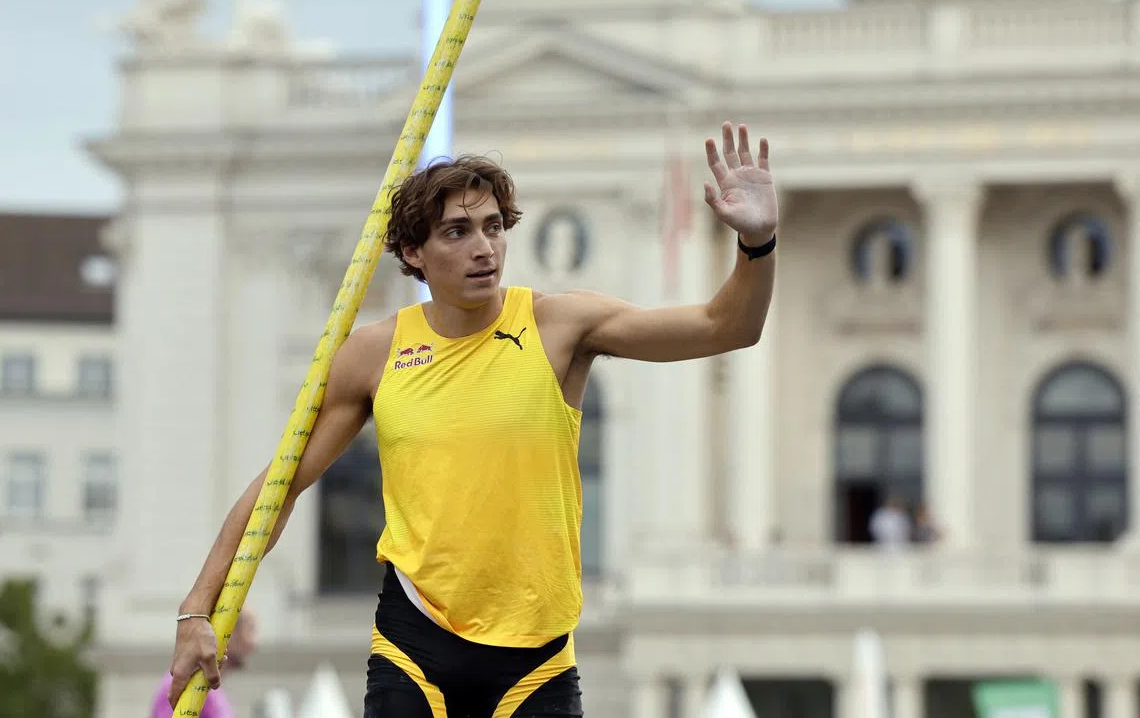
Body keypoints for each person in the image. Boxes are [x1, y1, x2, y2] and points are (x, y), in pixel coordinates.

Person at [167, 121, 778, 717]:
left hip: (536, 654)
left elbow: (728, 327)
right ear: (413, 252)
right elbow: (280, 487)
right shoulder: (374, 354)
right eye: (457, 232)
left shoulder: (559, 326)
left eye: (492, 227)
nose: (483, 247)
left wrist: (757, 245)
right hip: (415, 643)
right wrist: (198, 611)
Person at [157, 610, 257, 717]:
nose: (254, 644)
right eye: (250, 630)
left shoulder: (214, 690)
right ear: (228, 629)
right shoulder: (182, 683)